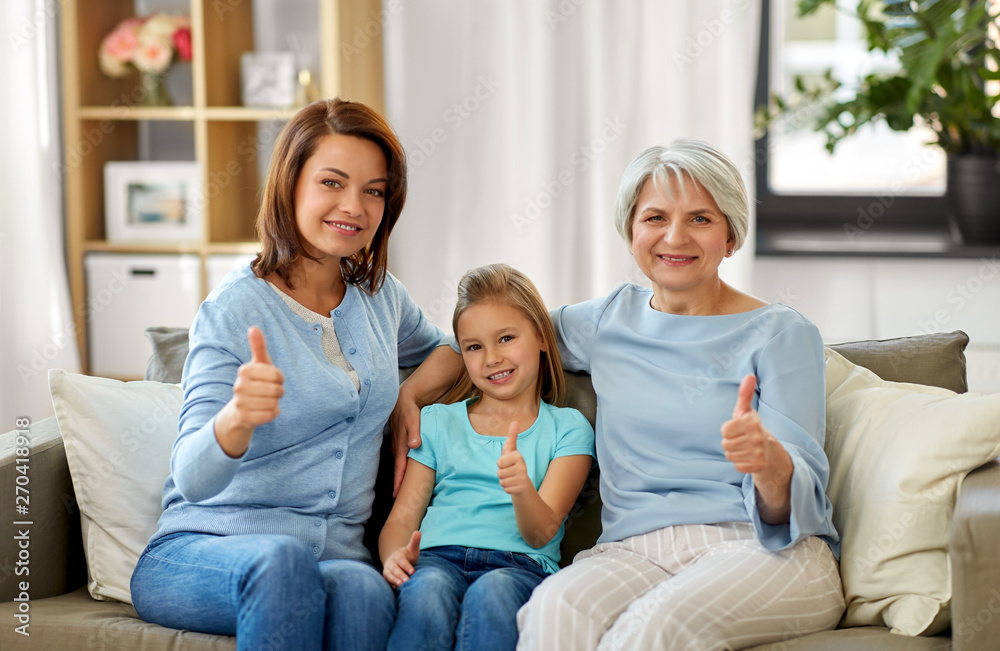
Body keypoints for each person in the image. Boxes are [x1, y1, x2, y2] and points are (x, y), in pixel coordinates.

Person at [392, 140, 845, 650]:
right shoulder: (607, 320)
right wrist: (410, 394)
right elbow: (491, 338)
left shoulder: (781, 333)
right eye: (655, 217)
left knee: (654, 627)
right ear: (631, 230)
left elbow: (801, 496)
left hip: (762, 550)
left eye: (700, 218)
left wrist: (769, 464)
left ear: (731, 235)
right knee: (552, 611)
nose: (674, 236)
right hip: (633, 551)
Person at [130, 98, 455, 651]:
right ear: (290, 185)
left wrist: (409, 396)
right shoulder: (233, 310)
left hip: (330, 557)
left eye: (374, 190)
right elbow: (191, 477)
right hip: (203, 552)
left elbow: (449, 348)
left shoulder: (380, 297)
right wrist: (235, 420)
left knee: (365, 590)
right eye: (333, 182)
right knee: (282, 562)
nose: (354, 205)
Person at [380, 263, 595, 651]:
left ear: (543, 338)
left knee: (492, 593)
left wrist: (522, 488)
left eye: (507, 338)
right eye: (474, 347)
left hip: (520, 567)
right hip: (435, 558)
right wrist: (394, 556)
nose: (491, 358)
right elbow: (401, 520)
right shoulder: (437, 422)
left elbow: (541, 532)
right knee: (426, 590)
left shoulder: (569, 428)